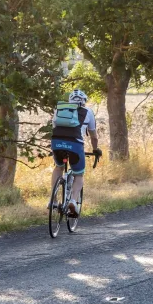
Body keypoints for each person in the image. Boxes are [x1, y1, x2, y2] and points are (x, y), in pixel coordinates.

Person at [51, 89, 101, 217]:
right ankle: (73, 200)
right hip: (75, 144)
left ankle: (53, 200)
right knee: (79, 175)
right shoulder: (88, 111)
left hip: (57, 143)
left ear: (70, 101)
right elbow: (93, 136)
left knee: (59, 167)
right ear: (84, 101)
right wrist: (95, 149)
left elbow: (54, 126)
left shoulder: (60, 108)